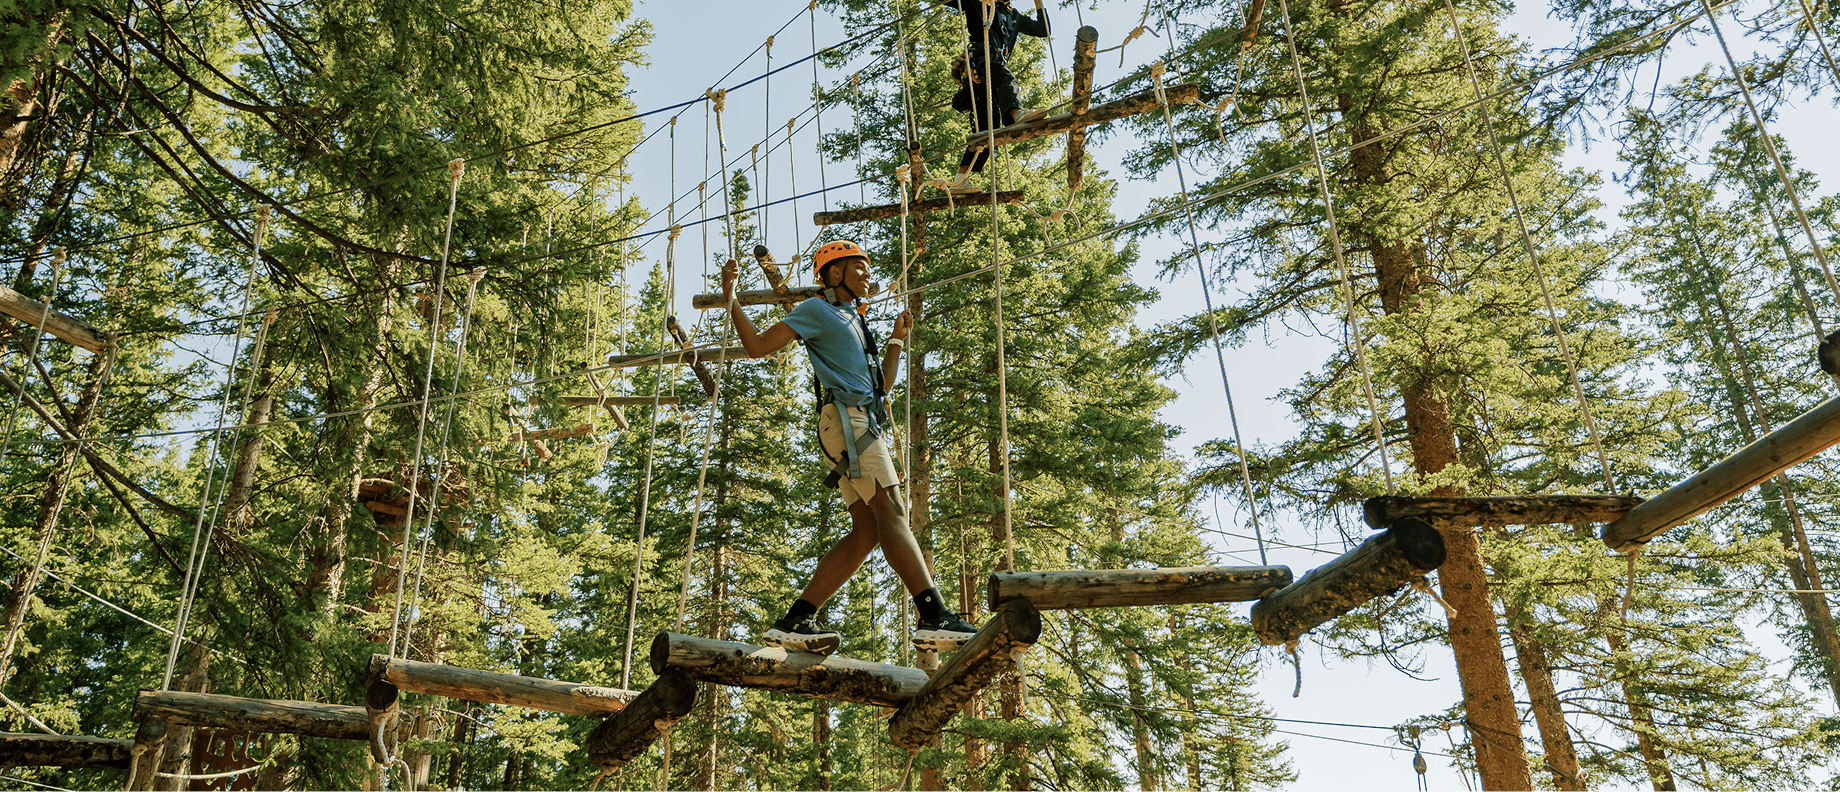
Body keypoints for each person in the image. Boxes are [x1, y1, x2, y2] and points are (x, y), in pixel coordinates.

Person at [722, 241, 981, 655]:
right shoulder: (815, 311)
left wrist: (896, 340)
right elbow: (757, 347)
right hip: (848, 423)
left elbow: (882, 387)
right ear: (833, 273)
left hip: (857, 422)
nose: (866, 274)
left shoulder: (854, 320)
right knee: (893, 512)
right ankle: (933, 615)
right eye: (857, 268)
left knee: (867, 532)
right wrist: (731, 297)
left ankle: (796, 619)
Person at [930, 0, 1051, 195]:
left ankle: (959, 181)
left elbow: (1042, 29)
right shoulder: (978, 3)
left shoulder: (1014, 16)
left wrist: (1038, 2)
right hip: (982, 59)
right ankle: (1016, 113)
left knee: (989, 134)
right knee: (1006, 78)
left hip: (992, 75)